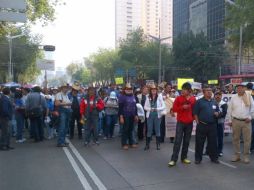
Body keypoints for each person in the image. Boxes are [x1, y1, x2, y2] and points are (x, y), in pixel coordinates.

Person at [168, 82, 196, 166]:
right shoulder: (178, 98)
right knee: (177, 141)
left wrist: (193, 118)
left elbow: (195, 111)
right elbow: (174, 109)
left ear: (189, 91)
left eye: (185, 90)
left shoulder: (193, 99)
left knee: (187, 141)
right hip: (180, 122)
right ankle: (173, 159)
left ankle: (184, 158)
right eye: (182, 89)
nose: (183, 91)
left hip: (189, 123)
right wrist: (182, 107)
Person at [226, 83, 254, 163]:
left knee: (247, 140)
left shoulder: (249, 96)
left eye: (241, 88)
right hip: (236, 121)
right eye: (238, 88)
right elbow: (229, 109)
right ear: (236, 89)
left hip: (246, 121)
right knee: (235, 139)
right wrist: (230, 120)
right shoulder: (233, 98)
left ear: (244, 89)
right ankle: (237, 155)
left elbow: (253, 108)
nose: (239, 89)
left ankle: (246, 156)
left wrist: (250, 117)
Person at [193, 85, 220, 164]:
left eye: (210, 91)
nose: (209, 92)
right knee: (199, 143)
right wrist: (198, 122)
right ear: (204, 92)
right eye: (207, 91)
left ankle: (214, 158)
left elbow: (218, 111)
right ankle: (198, 158)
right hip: (202, 125)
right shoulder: (199, 102)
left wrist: (217, 113)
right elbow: (195, 113)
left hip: (212, 125)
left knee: (213, 143)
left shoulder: (214, 101)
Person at [144, 84, 166, 150]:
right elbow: (145, 107)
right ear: (150, 91)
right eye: (152, 90)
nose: (153, 91)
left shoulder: (159, 97)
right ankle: (147, 145)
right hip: (150, 115)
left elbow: (163, 106)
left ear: (156, 90)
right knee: (149, 130)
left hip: (157, 115)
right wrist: (150, 109)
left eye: (155, 90)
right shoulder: (147, 97)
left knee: (157, 130)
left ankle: (158, 145)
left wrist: (157, 109)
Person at [119, 83, 139, 150]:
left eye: (130, 89)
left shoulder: (134, 96)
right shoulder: (122, 97)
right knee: (125, 130)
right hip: (125, 115)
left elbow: (135, 107)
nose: (129, 90)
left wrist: (136, 115)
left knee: (131, 129)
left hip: (132, 115)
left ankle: (131, 143)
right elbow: (120, 108)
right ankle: (124, 143)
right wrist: (121, 117)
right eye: (127, 89)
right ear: (125, 89)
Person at [214, 91, 227, 157]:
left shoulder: (224, 104)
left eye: (219, 95)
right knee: (211, 137)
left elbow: (224, 113)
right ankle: (209, 150)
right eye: (216, 95)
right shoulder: (212, 103)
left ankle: (220, 151)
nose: (218, 96)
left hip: (220, 122)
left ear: (221, 96)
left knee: (220, 137)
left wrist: (218, 115)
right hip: (212, 122)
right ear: (214, 96)